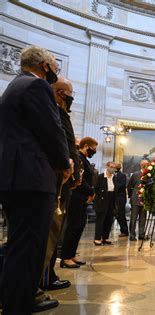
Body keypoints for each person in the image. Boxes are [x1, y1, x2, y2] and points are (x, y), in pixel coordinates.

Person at [0, 46, 71, 313]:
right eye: (54, 66)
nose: (55, 71)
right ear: (44, 65)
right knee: (29, 244)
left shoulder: (15, 85)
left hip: (15, 178)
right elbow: (51, 131)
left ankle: (15, 297)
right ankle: (18, 303)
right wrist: (65, 163)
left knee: (20, 242)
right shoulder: (36, 87)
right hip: (31, 180)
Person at [40, 77, 80, 292]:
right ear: (60, 93)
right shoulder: (53, 111)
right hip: (56, 180)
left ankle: (48, 274)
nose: (72, 98)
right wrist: (67, 166)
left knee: (55, 230)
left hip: (63, 181)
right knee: (50, 230)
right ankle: (44, 277)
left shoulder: (60, 112)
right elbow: (60, 143)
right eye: (69, 93)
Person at [61, 137, 97, 268]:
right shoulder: (78, 158)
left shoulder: (84, 159)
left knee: (79, 226)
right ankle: (65, 257)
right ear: (86, 146)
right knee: (73, 227)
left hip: (82, 197)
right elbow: (79, 178)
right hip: (76, 196)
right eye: (93, 149)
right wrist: (91, 191)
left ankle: (71, 254)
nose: (94, 151)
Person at [93, 161, 116, 246]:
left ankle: (105, 238)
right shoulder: (101, 177)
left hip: (111, 199)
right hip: (101, 200)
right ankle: (97, 239)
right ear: (107, 166)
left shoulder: (114, 177)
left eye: (114, 167)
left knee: (109, 220)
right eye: (111, 166)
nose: (112, 168)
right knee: (100, 220)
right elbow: (95, 189)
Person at [127, 160, 149, 241]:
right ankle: (132, 235)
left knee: (143, 219)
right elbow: (129, 186)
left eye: (147, 164)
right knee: (133, 218)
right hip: (135, 199)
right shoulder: (135, 174)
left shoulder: (149, 175)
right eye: (144, 164)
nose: (146, 165)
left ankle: (141, 234)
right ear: (141, 165)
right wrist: (131, 196)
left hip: (145, 200)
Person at [113, 162, 129, 237]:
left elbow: (121, 186)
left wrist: (112, 188)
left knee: (121, 214)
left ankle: (125, 231)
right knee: (117, 214)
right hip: (114, 197)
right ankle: (123, 230)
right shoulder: (112, 175)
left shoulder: (122, 175)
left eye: (115, 166)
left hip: (120, 198)